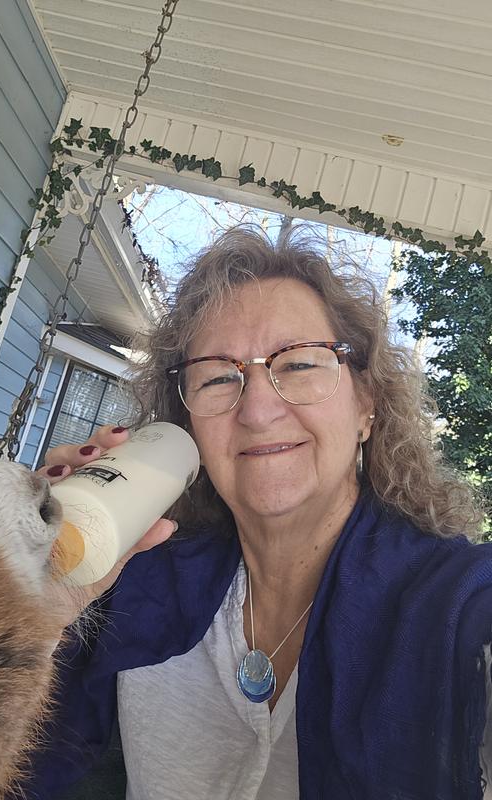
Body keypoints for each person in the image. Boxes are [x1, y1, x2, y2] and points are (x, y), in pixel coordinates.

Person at [28, 227, 491, 800]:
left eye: (298, 364)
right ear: (186, 424)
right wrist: (36, 603)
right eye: (220, 376)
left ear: (366, 405)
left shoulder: (455, 603)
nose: (258, 408)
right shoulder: (134, 586)